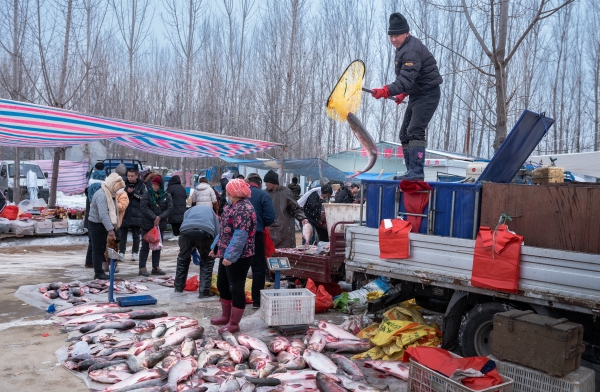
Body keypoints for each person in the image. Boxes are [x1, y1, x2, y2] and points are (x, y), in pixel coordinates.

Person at [370, 12, 442, 181]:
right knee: (404, 133)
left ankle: (416, 173)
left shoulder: (411, 50)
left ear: (406, 33)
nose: (393, 39)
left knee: (415, 130)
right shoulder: (403, 48)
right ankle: (411, 171)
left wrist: (386, 90)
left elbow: (405, 78)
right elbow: (411, 78)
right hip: (417, 93)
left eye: (397, 35)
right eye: (391, 35)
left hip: (428, 94)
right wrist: (404, 93)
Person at [209, 179, 257, 333]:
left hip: (240, 255)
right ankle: (226, 316)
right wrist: (215, 247)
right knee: (223, 284)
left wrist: (230, 256)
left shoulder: (244, 209)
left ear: (234, 192)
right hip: (227, 252)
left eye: (228, 191)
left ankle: (234, 323)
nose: (226, 193)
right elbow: (224, 231)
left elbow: (240, 235)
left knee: (236, 287)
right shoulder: (231, 206)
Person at [174, 204, 220, 297]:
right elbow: (217, 231)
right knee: (207, 261)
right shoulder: (212, 213)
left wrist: (191, 248)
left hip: (185, 232)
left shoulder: (188, 211)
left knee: (183, 259)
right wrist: (214, 248)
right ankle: (204, 291)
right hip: (205, 232)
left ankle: (178, 287)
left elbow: (185, 224)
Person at [87, 172, 126, 280]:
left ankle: (100, 271)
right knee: (97, 249)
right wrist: (110, 229)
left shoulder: (110, 194)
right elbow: (103, 214)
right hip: (96, 224)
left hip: (102, 224)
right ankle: (98, 273)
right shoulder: (102, 195)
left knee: (101, 248)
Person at [246, 173, 276, 309]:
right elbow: (270, 216)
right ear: (259, 183)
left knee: (239, 267)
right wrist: (261, 224)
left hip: (236, 236)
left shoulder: (239, 194)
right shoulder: (263, 195)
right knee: (258, 268)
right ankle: (257, 301)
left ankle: (236, 300)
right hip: (256, 235)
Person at [263, 170, 308, 248]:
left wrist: (302, 218)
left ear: (273, 182)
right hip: (269, 229)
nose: (265, 184)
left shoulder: (286, 192)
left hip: (285, 230)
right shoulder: (264, 194)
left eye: (267, 182)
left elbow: (295, 208)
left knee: (285, 255)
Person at [139, 175, 173, 276]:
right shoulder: (147, 194)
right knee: (145, 246)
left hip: (159, 225)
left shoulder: (166, 195)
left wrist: (160, 217)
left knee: (157, 246)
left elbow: (170, 208)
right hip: (147, 224)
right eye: (153, 184)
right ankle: (142, 267)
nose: (154, 187)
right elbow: (144, 207)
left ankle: (155, 267)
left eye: (156, 185)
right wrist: (154, 217)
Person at [119, 167, 146, 262]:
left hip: (136, 213)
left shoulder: (141, 185)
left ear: (136, 176)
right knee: (122, 235)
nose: (130, 178)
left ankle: (135, 253)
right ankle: (121, 253)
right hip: (124, 213)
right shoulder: (122, 184)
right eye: (128, 176)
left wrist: (134, 193)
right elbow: (118, 195)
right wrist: (127, 192)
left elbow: (144, 198)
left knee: (136, 235)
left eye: (132, 176)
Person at [84, 166, 107, 268]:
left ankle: (90, 261)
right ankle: (92, 262)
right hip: (97, 220)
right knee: (96, 244)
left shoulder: (91, 189)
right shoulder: (100, 190)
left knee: (93, 242)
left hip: (90, 218)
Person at [166, 175, 187, 241]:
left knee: (174, 221)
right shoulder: (182, 187)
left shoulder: (171, 188)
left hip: (174, 207)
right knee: (180, 221)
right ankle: (180, 234)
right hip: (182, 207)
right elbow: (186, 196)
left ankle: (175, 234)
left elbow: (166, 196)